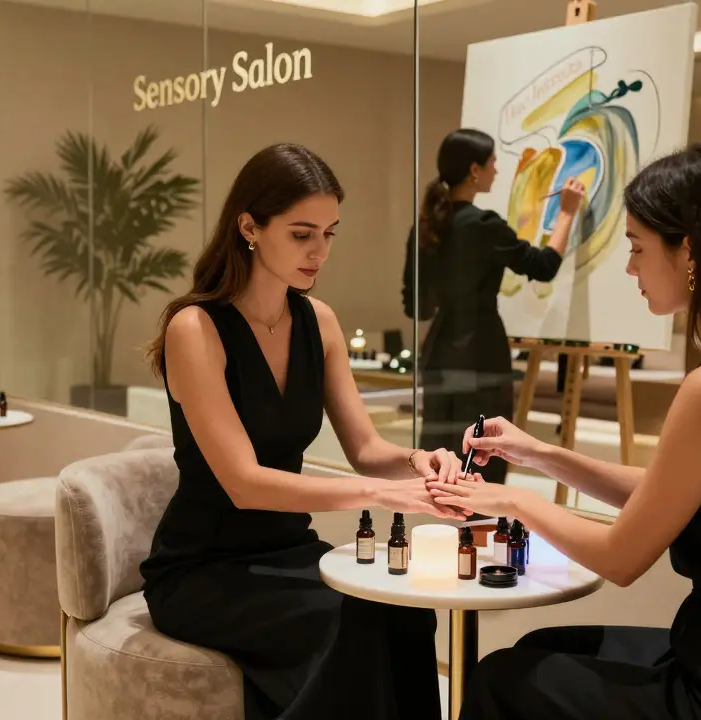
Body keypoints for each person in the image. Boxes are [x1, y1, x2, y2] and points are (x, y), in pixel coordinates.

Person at [427, 142, 701, 720]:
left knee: (502, 680)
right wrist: (537, 453)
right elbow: (675, 492)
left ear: (691, 250)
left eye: (637, 247)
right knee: (541, 649)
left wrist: (509, 499)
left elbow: (620, 557)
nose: (630, 267)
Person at [141, 142, 461, 720]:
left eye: (329, 234)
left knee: (407, 610)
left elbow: (365, 448)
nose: (320, 251)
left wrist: (418, 460)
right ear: (249, 227)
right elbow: (244, 483)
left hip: (289, 548)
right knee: (346, 627)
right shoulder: (196, 329)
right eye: (301, 234)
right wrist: (380, 493)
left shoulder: (321, 322)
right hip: (203, 568)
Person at [402, 128, 584, 484]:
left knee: (441, 465)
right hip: (481, 357)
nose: (496, 171)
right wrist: (566, 213)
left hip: (438, 354)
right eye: (492, 163)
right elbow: (543, 266)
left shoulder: (423, 228)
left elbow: (416, 308)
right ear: (475, 170)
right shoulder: (483, 225)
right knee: (482, 462)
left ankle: (444, 520)